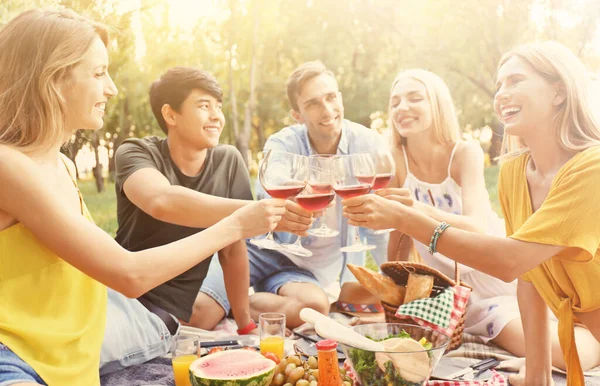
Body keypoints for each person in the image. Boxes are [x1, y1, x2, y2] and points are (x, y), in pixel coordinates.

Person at [0, 9, 284, 386]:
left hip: (68, 364)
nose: (112, 88)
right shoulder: (8, 165)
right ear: (52, 78)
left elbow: (106, 266)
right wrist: (235, 223)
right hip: (14, 359)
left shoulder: (62, 167)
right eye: (99, 73)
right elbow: (130, 274)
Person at [342, 41, 600, 386]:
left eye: (515, 81)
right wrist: (537, 377)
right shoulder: (514, 171)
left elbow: (510, 262)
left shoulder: (592, 169)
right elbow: (530, 278)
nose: (502, 94)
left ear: (559, 91)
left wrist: (407, 216)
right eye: (499, 86)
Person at [200, 60, 389, 329]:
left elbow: (381, 225)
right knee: (200, 313)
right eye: (312, 103)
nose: (327, 110)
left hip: (304, 271)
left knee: (314, 307)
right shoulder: (283, 142)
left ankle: (239, 303)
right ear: (297, 115)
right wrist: (301, 189)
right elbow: (269, 186)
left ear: (340, 98)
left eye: (331, 97)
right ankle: (230, 299)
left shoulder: (368, 144)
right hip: (257, 250)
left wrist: (393, 283)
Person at [384, 68, 523, 346]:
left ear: (437, 103)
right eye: (395, 101)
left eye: (414, 98)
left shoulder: (463, 153)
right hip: (452, 292)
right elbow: (398, 237)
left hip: (496, 274)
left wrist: (414, 210)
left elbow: (477, 227)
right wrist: (392, 292)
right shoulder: (395, 160)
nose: (403, 107)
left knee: (543, 346)